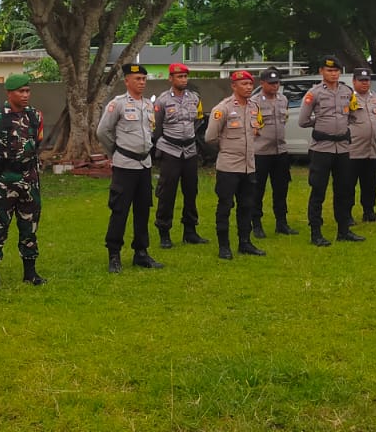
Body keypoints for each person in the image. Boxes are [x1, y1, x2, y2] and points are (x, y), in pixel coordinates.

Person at [0, 73, 46, 290]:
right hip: (4, 180)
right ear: (9, 93)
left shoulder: (35, 116)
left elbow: (38, 142)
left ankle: (30, 272)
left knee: (30, 226)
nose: (25, 95)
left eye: (27, 91)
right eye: (20, 91)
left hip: (29, 179)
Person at [96, 63, 164, 273]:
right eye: (137, 79)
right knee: (120, 210)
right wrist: (116, 151)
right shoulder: (118, 104)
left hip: (144, 165)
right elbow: (102, 131)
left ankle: (141, 252)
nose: (141, 83)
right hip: (125, 165)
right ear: (127, 81)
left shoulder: (147, 105)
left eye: (144, 79)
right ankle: (114, 254)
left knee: (143, 210)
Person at [297, 57, 359, 247]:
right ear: (322, 71)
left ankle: (343, 230)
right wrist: (323, 122)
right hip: (322, 148)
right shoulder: (314, 93)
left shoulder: (347, 92)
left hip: (342, 148)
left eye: (336, 71)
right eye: (329, 71)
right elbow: (303, 120)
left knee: (344, 189)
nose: (333, 74)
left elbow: (353, 115)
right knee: (318, 190)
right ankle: (316, 232)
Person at [205, 70, 266, 260]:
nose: (248, 87)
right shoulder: (222, 108)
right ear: (234, 86)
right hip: (229, 167)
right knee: (225, 206)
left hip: (249, 166)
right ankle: (224, 246)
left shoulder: (254, 106)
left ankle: (245, 242)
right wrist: (227, 148)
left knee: (246, 205)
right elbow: (210, 137)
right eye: (243, 84)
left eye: (250, 84)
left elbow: (257, 130)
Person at [152, 62, 207, 247]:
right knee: (167, 193)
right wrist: (158, 151)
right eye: (179, 77)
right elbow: (156, 127)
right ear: (171, 78)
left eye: (185, 76)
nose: (183, 80)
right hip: (170, 150)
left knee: (191, 191)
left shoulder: (195, 98)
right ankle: (164, 232)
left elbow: (198, 121)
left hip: (190, 151)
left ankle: (190, 231)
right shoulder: (162, 100)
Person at [251, 68, 296, 237]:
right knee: (257, 190)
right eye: (270, 83)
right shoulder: (254, 102)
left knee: (281, 189)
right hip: (261, 152)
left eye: (276, 83)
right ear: (262, 83)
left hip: (280, 152)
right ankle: (256, 224)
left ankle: (281, 223)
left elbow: (284, 120)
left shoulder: (283, 99)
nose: (274, 86)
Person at [347, 66, 376, 227]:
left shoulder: (374, 96)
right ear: (354, 81)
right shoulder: (348, 98)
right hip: (353, 149)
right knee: (348, 185)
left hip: (371, 149)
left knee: (370, 184)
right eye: (361, 80)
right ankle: (346, 214)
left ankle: (369, 212)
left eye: (367, 80)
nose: (364, 83)